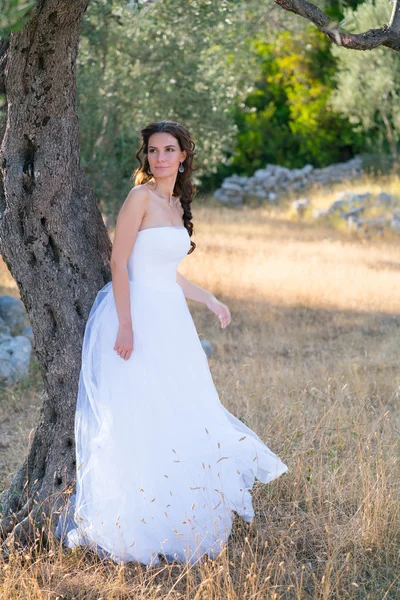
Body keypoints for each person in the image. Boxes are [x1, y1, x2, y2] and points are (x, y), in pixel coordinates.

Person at [55, 120, 288, 566]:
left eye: (169, 150)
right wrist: (125, 326)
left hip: (172, 323)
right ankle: (133, 524)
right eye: (153, 150)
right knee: (140, 415)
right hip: (136, 317)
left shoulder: (178, 202)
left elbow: (169, 273)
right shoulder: (138, 198)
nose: (160, 157)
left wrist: (211, 299)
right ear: (147, 157)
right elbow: (119, 263)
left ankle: (177, 517)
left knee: (183, 410)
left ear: (183, 156)